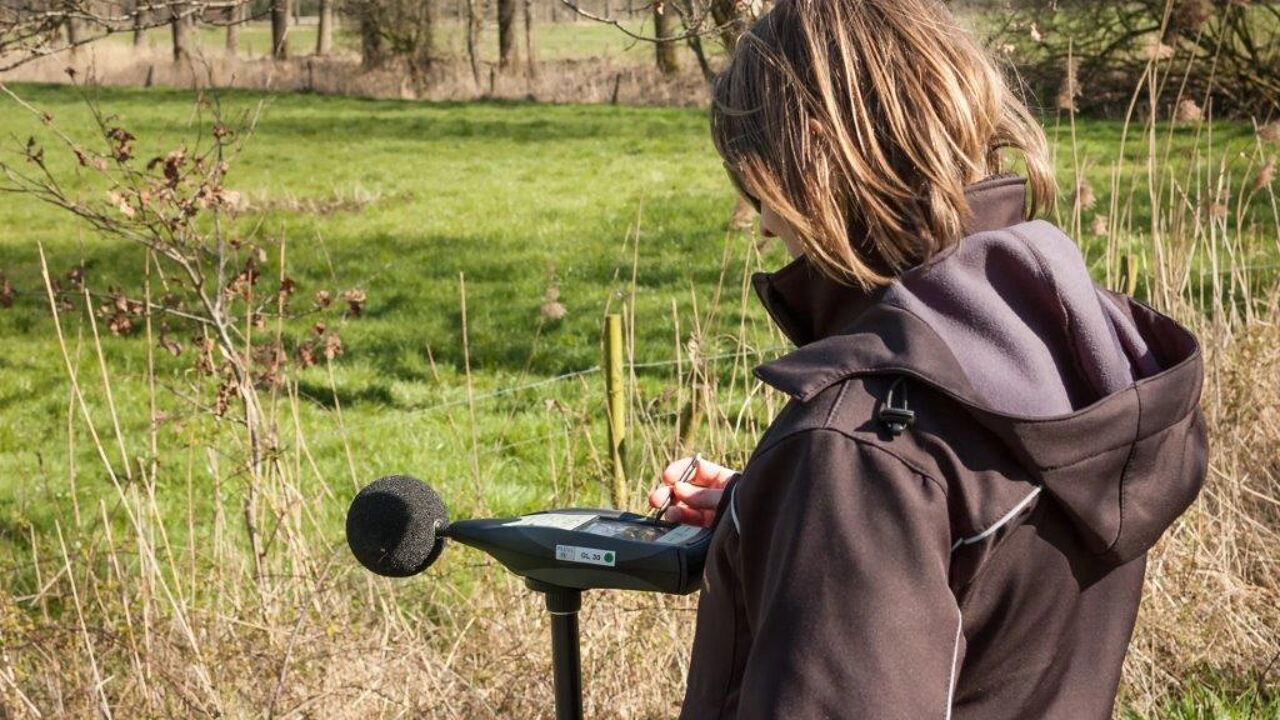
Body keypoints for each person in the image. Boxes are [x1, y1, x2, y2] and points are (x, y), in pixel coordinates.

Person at [645, 1, 1209, 718]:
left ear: (814, 152)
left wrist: (836, 494)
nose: (762, 224)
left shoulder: (860, 453)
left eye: (759, 188)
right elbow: (977, 558)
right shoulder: (1075, 343)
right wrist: (782, 515)